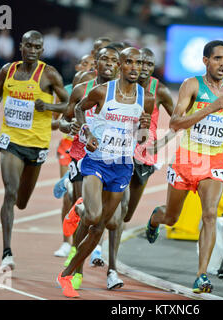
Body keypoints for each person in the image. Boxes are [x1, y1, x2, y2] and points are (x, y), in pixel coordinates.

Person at [56, 47, 154, 298]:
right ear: (121, 65)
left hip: (122, 166)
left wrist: (143, 128)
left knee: (99, 226)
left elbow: (142, 135)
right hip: (97, 162)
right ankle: (81, 209)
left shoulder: (146, 98)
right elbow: (78, 109)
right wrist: (87, 134)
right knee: (93, 215)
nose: (135, 67)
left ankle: (67, 273)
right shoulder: (101, 91)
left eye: (139, 63)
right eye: (129, 62)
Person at [145, 40, 223, 294]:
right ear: (205, 61)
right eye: (218, 59)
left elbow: (222, 116)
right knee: (172, 218)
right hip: (187, 159)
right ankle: (156, 218)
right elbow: (176, 122)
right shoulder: (192, 85)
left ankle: (201, 276)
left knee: (210, 214)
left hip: (214, 161)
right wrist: (211, 108)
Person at [0, 30, 68, 273]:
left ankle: (8, 249)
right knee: (10, 193)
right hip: (10, 140)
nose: (33, 50)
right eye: (29, 46)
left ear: (42, 50)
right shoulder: (8, 70)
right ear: (20, 47)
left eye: (37, 47)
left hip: (36, 144)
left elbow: (69, 104)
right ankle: (6, 253)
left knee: (22, 202)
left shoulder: (49, 74)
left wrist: (49, 105)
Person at [105, 47, 176, 287]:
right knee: (117, 206)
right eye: (139, 63)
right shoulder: (119, 86)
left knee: (127, 213)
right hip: (121, 151)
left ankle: (110, 240)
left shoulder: (159, 91)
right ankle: (109, 265)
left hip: (144, 156)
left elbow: (178, 122)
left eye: (148, 64)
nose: (142, 68)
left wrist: (160, 145)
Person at [56, 46, 121, 289]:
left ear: (120, 65)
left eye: (114, 60)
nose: (109, 64)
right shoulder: (83, 87)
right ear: (96, 62)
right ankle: (77, 270)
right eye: (104, 58)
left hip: (114, 159)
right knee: (93, 218)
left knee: (109, 220)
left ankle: (78, 210)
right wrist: (69, 127)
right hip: (83, 156)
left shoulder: (127, 93)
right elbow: (63, 119)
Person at [52, 52, 97, 258]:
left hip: (94, 151)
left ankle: (93, 244)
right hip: (71, 147)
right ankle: (66, 242)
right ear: (79, 66)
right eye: (86, 63)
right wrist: (71, 126)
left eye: (93, 64)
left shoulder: (109, 89)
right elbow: (56, 122)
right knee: (70, 198)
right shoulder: (74, 89)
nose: (89, 67)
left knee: (90, 203)